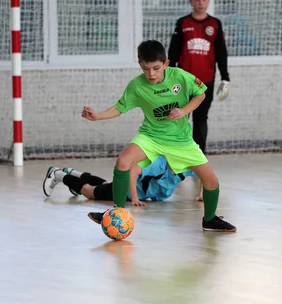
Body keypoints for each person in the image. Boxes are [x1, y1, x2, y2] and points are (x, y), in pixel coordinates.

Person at [76, 39, 236, 232]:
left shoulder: (180, 76)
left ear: (166, 64)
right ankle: (117, 211)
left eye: (156, 68)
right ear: (140, 65)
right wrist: (98, 116)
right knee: (123, 162)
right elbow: (120, 108)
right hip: (151, 136)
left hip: (180, 141)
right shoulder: (137, 86)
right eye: (146, 69)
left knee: (211, 182)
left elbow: (201, 94)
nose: (151, 74)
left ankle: (209, 219)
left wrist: (184, 110)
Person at [168, 0, 230, 154]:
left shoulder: (215, 24)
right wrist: (169, 76)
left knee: (201, 119)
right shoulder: (183, 23)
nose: (201, 3)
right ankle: (178, 156)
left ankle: (198, 157)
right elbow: (173, 52)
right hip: (183, 82)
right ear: (191, 1)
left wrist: (225, 78)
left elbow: (221, 53)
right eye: (197, 0)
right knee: (180, 119)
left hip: (205, 82)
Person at [42, 156, 198, 205]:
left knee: (104, 185)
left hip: (130, 191)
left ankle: (72, 173)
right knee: (90, 192)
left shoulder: (186, 166)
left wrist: (201, 195)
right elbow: (132, 172)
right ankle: (57, 174)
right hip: (127, 192)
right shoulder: (159, 164)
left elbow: (206, 175)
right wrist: (135, 199)